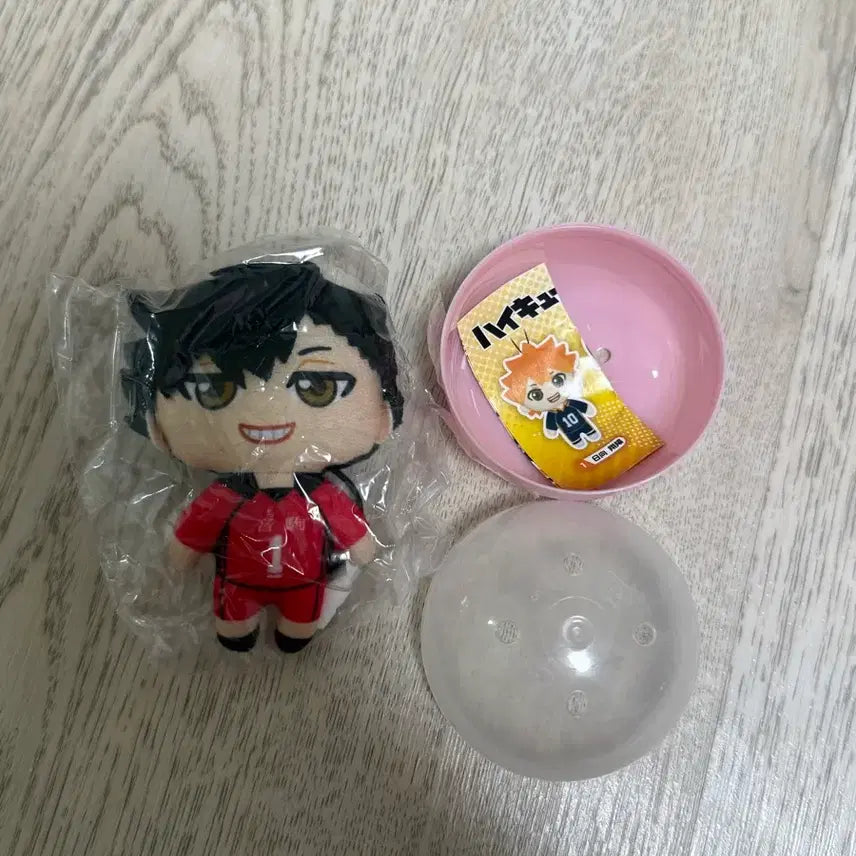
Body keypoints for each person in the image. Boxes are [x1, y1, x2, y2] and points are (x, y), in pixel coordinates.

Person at [122, 261, 403, 652]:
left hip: (305, 584)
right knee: (235, 624)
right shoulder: (228, 495)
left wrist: (363, 550)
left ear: (383, 414)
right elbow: (197, 530)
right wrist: (181, 555)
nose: (268, 418)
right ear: (155, 421)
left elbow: (352, 532)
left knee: (299, 623)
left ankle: (291, 631)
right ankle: (240, 630)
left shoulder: (318, 496)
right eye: (214, 391)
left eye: (318, 387)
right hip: (238, 583)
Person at [499, 334, 601, 449]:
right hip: (570, 434)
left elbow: (583, 407)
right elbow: (551, 426)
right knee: (576, 441)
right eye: (536, 395)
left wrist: (587, 408)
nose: (551, 392)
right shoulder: (552, 414)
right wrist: (551, 430)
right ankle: (578, 441)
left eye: (557, 380)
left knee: (590, 432)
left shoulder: (570, 403)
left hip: (585, 425)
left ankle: (590, 433)